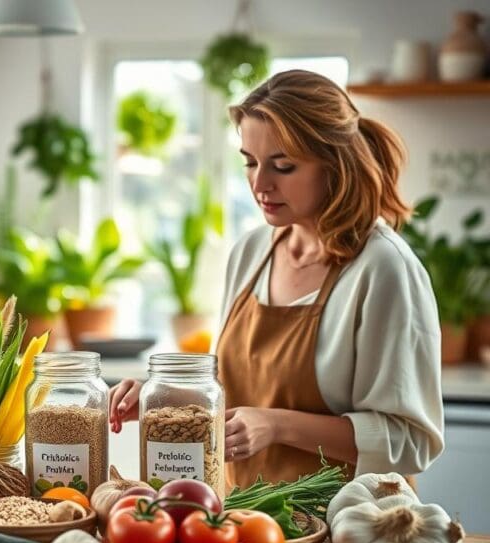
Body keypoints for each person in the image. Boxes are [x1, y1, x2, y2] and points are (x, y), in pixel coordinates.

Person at [109, 69, 444, 492]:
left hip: (350, 530)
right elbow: (239, 392)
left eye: (282, 166)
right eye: (250, 162)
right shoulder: (251, 252)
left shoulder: (384, 269)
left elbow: (410, 441)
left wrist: (277, 426)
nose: (259, 183)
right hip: (249, 519)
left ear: (335, 165)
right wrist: (167, 399)